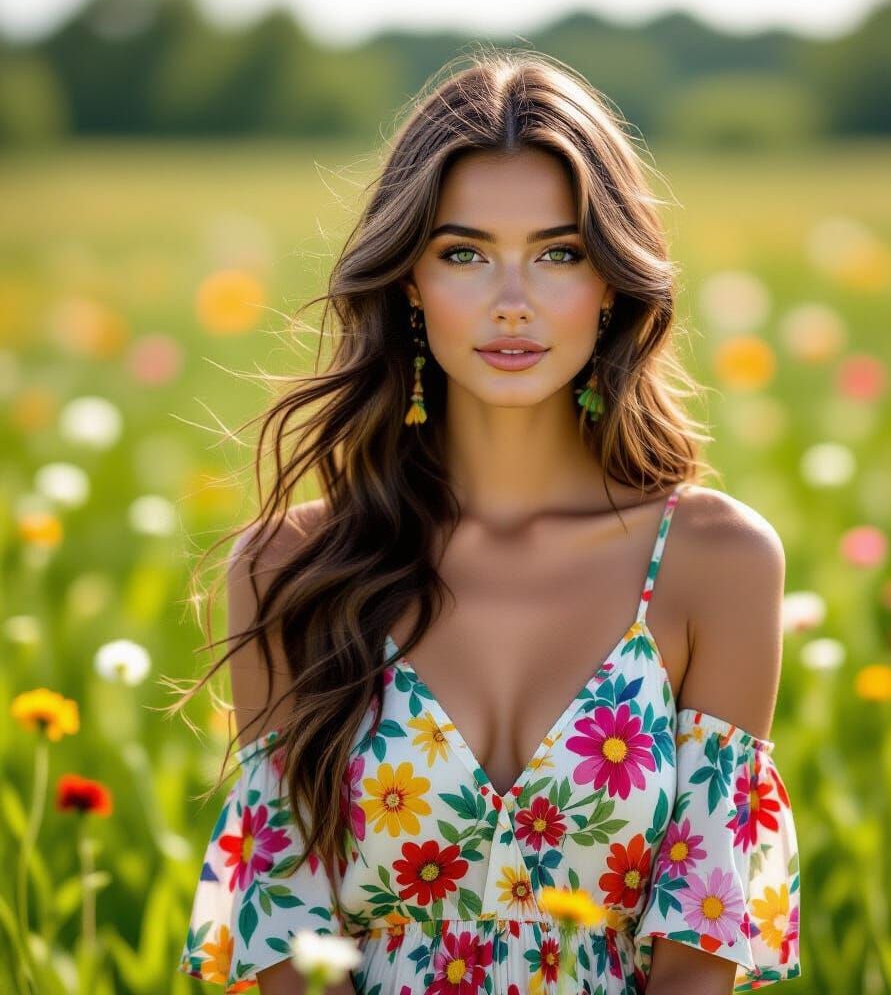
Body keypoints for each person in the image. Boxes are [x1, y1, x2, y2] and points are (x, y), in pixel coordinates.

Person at [174, 49, 801, 994]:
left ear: (613, 284)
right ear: (410, 286)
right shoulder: (289, 565)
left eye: (559, 254)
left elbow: (699, 957)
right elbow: (286, 942)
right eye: (465, 253)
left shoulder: (716, 562)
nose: (513, 301)